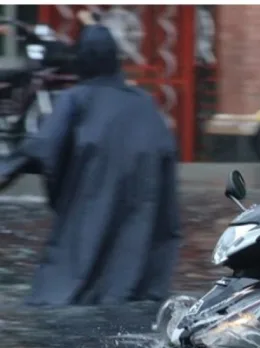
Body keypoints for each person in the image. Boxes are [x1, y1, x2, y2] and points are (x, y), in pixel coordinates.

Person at [0, 23, 181, 306]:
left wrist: (7, 170)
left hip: (83, 237)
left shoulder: (76, 100)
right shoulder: (146, 105)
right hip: (140, 256)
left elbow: (39, 148)